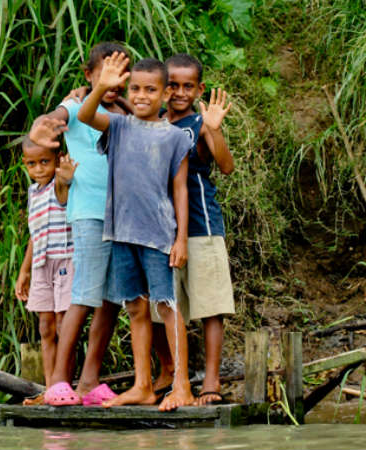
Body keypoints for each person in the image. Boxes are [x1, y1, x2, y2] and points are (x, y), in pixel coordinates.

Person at [77, 52, 194, 411]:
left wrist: (180, 239)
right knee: (136, 310)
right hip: (121, 234)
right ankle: (143, 384)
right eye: (135, 89)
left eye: (150, 90)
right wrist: (102, 87)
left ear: (164, 94)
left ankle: (182, 386)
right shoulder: (118, 126)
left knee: (167, 307)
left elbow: (180, 189)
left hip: (158, 236)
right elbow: (84, 115)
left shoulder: (175, 137)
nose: (141, 96)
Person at [27, 42, 131, 406]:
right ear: (88, 76)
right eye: (105, 74)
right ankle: (58, 381)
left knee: (110, 301)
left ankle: (88, 382)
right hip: (89, 212)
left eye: (122, 75)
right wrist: (41, 129)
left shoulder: (125, 111)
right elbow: (51, 119)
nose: (115, 82)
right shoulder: (74, 106)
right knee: (84, 294)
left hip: (122, 215)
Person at [152, 53, 236, 406]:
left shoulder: (200, 123)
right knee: (160, 306)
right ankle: (168, 371)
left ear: (199, 88)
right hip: (158, 232)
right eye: (173, 85)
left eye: (188, 86)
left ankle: (211, 382)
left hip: (202, 227)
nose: (180, 92)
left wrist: (213, 128)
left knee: (209, 305)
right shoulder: (152, 122)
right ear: (161, 87)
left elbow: (227, 166)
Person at [15, 137, 76, 391]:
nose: (39, 169)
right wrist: (24, 271)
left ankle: (65, 384)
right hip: (41, 263)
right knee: (45, 327)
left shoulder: (58, 185)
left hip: (64, 259)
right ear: (24, 164)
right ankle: (51, 386)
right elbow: (34, 234)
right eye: (32, 164)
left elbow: (63, 189)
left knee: (64, 324)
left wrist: (65, 175)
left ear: (57, 159)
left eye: (44, 162)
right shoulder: (33, 192)